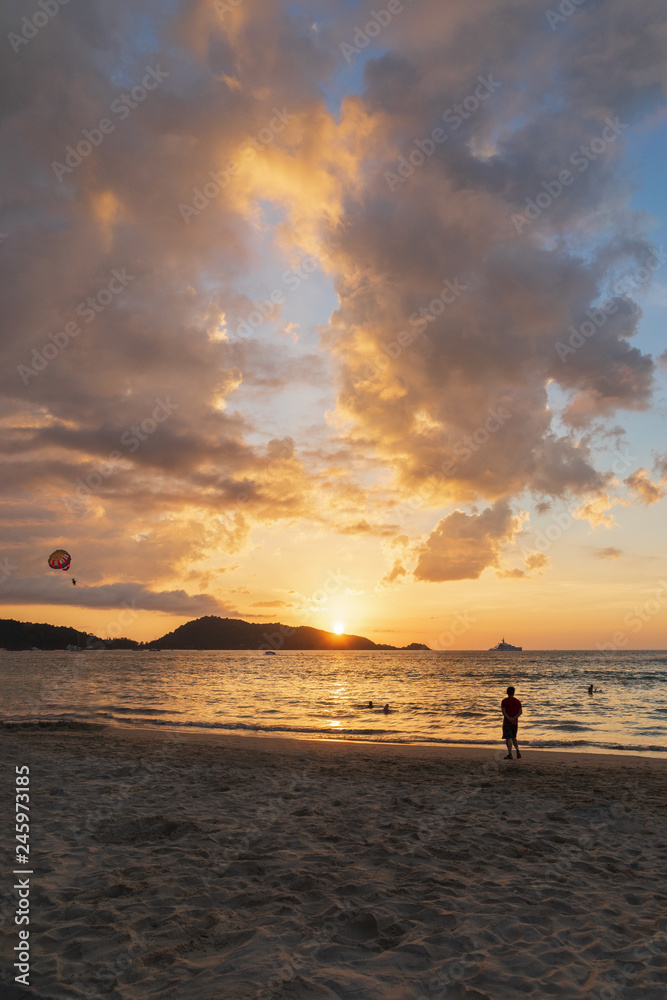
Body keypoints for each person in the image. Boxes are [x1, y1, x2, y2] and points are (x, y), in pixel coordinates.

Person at [501, 686, 522, 759]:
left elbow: (504, 712)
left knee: (508, 738)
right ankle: (517, 751)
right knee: (514, 737)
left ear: (507, 692)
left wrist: (509, 718)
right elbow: (520, 712)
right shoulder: (517, 701)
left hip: (507, 722)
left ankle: (510, 754)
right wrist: (514, 718)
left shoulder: (504, 701)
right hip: (515, 722)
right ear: (514, 692)